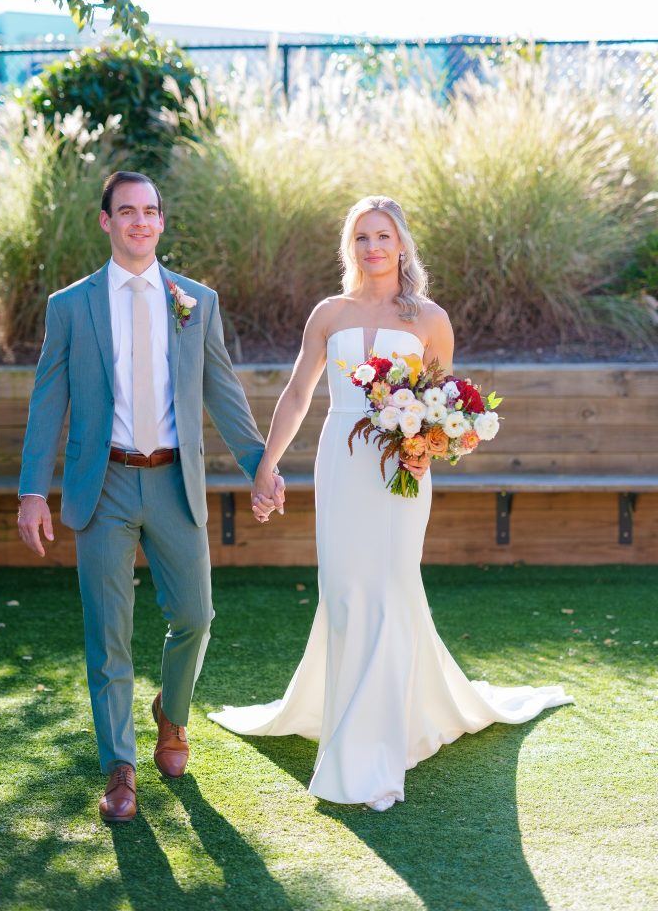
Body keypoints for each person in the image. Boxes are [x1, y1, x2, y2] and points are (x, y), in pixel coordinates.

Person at [210, 195, 573, 812]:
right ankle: (353, 713)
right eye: (361, 237)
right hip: (341, 464)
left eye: (383, 236)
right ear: (349, 247)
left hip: (400, 471)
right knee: (347, 588)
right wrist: (267, 464)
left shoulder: (430, 318)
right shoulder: (329, 313)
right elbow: (299, 392)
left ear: (402, 244)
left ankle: (376, 741)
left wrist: (427, 449)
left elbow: (446, 406)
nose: (373, 247)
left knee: (392, 584)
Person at [17, 170, 285, 823]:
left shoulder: (195, 301)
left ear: (162, 223)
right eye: (127, 211)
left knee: (195, 615)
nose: (141, 221)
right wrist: (32, 490)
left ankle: (172, 711)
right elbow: (49, 400)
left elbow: (221, 390)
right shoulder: (71, 306)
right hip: (101, 485)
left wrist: (261, 466)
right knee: (107, 633)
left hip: (174, 483)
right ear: (106, 221)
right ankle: (120, 767)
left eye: (152, 211)